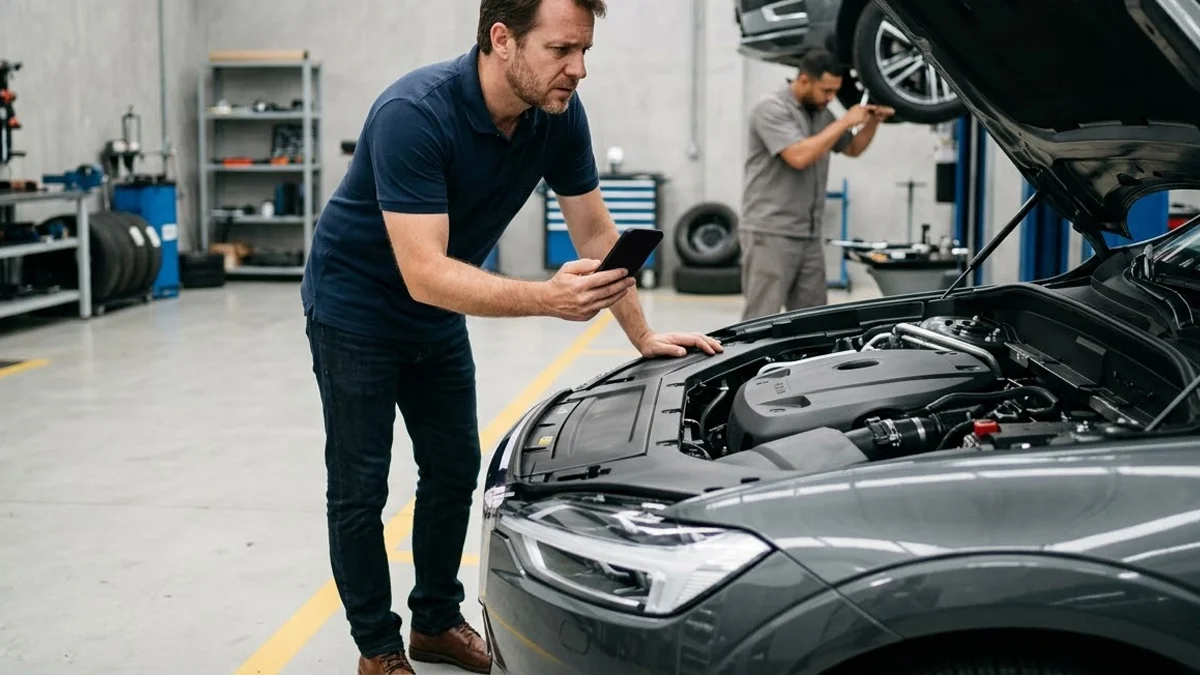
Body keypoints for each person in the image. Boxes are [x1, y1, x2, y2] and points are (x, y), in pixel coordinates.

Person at [299, 0, 725, 673]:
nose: (578, 69)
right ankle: (377, 647)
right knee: (359, 486)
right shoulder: (414, 114)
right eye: (561, 49)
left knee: (452, 468)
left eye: (585, 50)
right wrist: (548, 299)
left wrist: (641, 336)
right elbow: (424, 272)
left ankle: (434, 620)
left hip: (433, 309)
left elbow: (596, 235)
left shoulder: (555, 116)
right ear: (502, 39)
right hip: (357, 309)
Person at [738, 48, 894, 321]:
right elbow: (799, 156)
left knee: (813, 320)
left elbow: (853, 147)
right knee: (760, 319)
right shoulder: (771, 108)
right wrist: (846, 120)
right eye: (826, 90)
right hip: (770, 232)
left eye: (835, 91)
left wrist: (872, 122)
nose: (830, 98)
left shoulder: (821, 113)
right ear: (804, 80)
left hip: (808, 234)